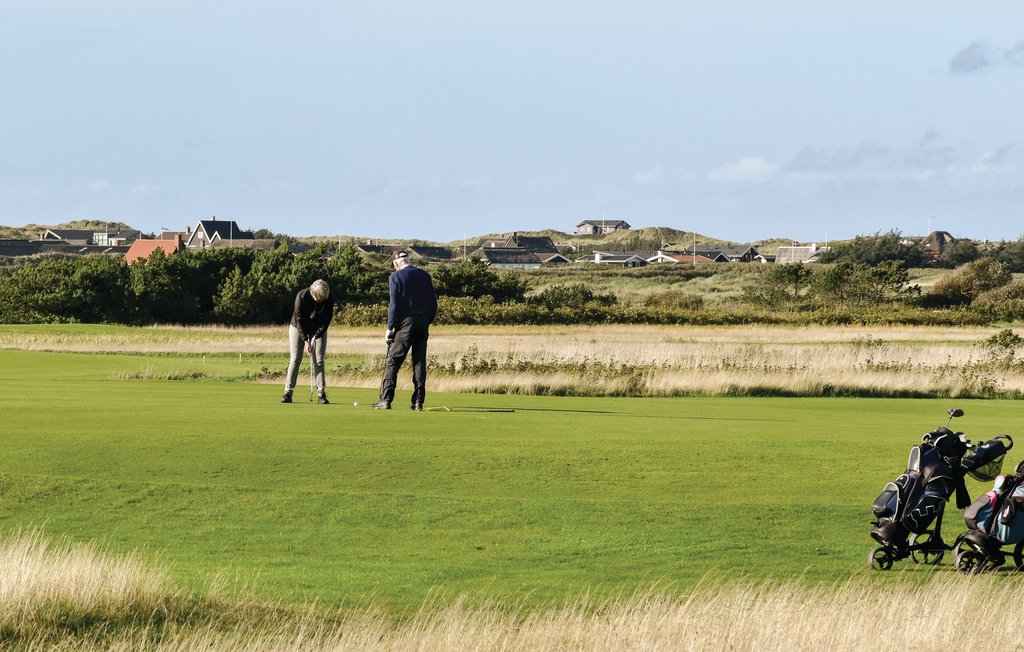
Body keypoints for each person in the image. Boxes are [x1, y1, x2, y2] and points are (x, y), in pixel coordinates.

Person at [373, 252, 438, 410]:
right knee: (419, 361)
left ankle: (386, 399)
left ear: (396, 264)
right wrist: (427, 320)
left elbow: (394, 304)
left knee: (393, 361)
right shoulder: (425, 275)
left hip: (406, 324)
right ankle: (418, 401)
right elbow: (433, 303)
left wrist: (390, 328)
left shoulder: (395, 277)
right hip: (423, 322)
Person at [282, 279, 333, 404]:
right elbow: (299, 319)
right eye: (318, 299)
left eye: (322, 299)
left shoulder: (328, 298)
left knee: (319, 360)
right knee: (295, 359)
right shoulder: (302, 296)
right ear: (312, 293)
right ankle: (288, 392)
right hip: (298, 327)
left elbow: (326, 320)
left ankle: (321, 393)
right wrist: (306, 340)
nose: (320, 301)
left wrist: (315, 336)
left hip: (318, 328)